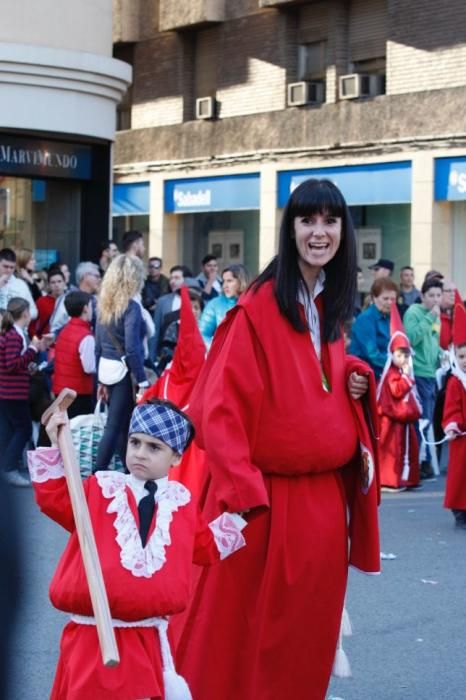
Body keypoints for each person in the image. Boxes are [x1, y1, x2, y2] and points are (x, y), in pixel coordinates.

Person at [176, 178, 381, 700]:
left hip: (320, 503)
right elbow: (220, 408)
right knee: (242, 643)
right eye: (307, 220)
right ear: (289, 229)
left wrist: (354, 372)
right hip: (266, 503)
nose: (319, 232)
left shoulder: (326, 302)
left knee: (304, 642)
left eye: (330, 221)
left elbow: (318, 377)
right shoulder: (260, 306)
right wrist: (246, 499)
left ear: (344, 231)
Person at [27, 399, 246, 700]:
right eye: (135, 442)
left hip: (147, 637)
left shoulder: (180, 503)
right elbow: (55, 500)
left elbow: (205, 548)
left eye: (154, 447)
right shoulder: (99, 489)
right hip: (94, 636)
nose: (140, 453)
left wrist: (239, 518)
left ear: (176, 458)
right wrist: (53, 444)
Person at [95, 254, 149, 470]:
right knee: (117, 425)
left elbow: (98, 345)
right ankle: (96, 476)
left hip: (107, 369)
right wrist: (143, 381)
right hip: (124, 371)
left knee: (120, 424)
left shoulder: (103, 305)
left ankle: (125, 472)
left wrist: (99, 382)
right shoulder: (132, 308)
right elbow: (132, 348)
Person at [377, 304, 421, 491]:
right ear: (392, 355)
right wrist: (407, 380)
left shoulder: (402, 371)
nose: (403, 359)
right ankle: (390, 479)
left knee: (406, 450)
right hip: (391, 421)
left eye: (405, 355)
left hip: (402, 421)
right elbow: (396, 391)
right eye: (399, 355)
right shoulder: (392, 374)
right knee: (392, 452)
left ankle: (407, 479)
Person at [0, 298, 44, 487]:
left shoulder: (10, 334)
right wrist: (33, 349)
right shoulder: (15, 336)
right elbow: (11, 364)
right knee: (23, 429)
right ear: (25, 314)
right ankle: (9, 469)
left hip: (9, 391)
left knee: (9, 430)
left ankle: (6, 467)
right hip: (13, 392)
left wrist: (29, 364)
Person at [404, 277, 443, 481]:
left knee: (427, 422)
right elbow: (411, 338)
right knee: (422, 422)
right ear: (422, 296)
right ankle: (417, 465)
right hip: (417, 372)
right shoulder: (414, 313)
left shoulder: (436, 316)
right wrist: (429, 318)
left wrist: (442, 355)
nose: (435, 300)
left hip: (431, 374)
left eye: (438, 295)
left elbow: (433, 342)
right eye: (431, 296)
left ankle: (423, 462)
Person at [52, 292, 95, 419]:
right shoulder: (86, 336)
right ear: (86, 308)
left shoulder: (64, 330)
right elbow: (89, 367)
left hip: (61, 390)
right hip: (79, 393)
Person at [442, 301, 466, 529]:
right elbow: (452, 408)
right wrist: (452, 423)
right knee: (460, 476)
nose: (465, 361)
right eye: (461, 356)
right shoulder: (455, 382)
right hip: (462, 439)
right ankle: (459, 510)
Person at [349, 277, 399, 379]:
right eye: (385, 298)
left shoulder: (390, 317)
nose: (390, 302)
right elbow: (372, 354)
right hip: (364, 375)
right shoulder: (365, 319)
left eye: (393, 299)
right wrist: (396, 362)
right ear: (374, 298)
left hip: (384, 371)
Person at [199, 264, 249, 349]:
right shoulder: (215, 304)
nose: (224, 285)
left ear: (241, 281)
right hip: (221, 358)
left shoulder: (251, 303)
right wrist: (218, 350)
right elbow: (202, 335)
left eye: (229, 281)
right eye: (223, 281)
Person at [51, 262, 100, 335]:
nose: (99, 279)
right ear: (85, 276)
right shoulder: (68, 297)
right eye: (97, 276)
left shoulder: (96, 299)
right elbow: (54, 329)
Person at [151, 265, 187, 362]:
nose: (172, 281)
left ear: (186, 280)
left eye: (177, 278)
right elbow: (156, 331)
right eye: (171, 278)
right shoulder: (162, 301)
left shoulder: (194, 301)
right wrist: (152, 358)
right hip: (167, 355)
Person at [0, 248, 38, 319]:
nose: (9, 270)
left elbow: (34, 312)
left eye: (12, 267)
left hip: (15, 327)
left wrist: (19, 316)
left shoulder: (20, 285)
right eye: (5, 266)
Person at [30, 268, 66, 337]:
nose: (56, 285)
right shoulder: (41, 302)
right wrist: (36, 340)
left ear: (64, 282)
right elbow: (32, 325)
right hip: (45, 343)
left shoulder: (70, 301)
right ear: (49, 285)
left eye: (59, 281)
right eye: (53, 282)